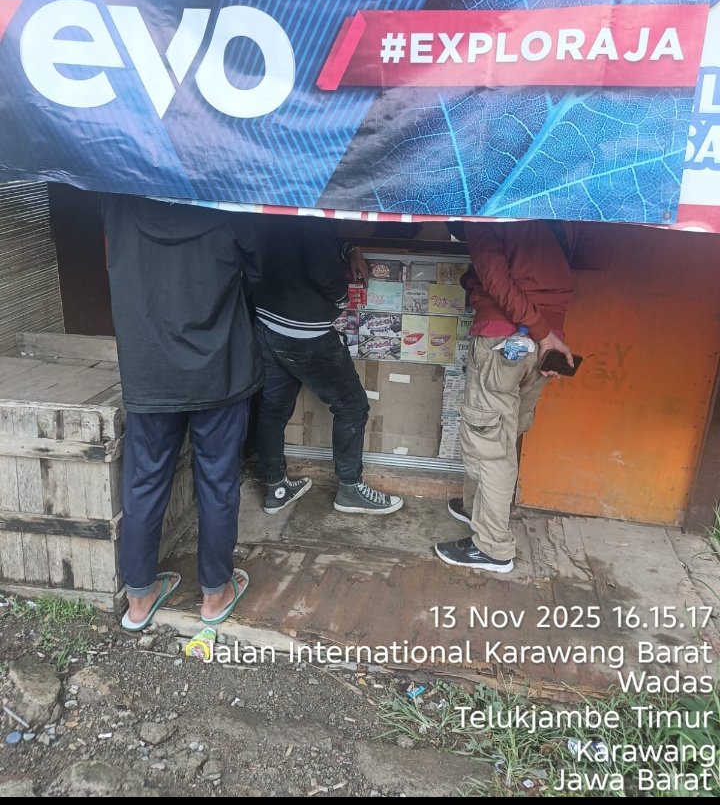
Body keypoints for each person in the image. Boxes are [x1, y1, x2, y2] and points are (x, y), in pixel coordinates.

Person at [101, 195, 264, 630]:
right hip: (220, 367)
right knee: (218, 480)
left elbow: (114, 260)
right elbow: (257, 274)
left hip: (149, 367)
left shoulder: (117, 199)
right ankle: (214, 595)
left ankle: (139, 600)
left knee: (144, 480)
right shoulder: (229, 199)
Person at [434, 220, 606, 574]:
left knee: (489, 442)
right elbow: (588, 258)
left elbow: (495, 278)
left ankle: (492, 548)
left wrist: (540, 332)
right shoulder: (565, 208)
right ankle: (475, 509)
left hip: (505, 338)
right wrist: (549, 335)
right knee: (503, 433)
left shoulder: (487, 211)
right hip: (547, 343)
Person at [252, 215, 403, 516]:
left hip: (266, 322)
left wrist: (350, 249)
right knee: (352, 406)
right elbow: (320, 264)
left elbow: (308, 242)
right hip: (304, 333)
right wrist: (341, 298)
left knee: (273, 408)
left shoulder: (283, 203)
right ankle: (350, 488)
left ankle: (276, 487)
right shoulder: (315, 212)